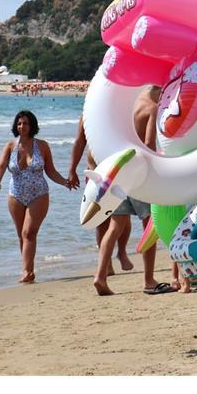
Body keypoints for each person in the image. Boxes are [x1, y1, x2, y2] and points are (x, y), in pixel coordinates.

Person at [75, 88, 171, 296]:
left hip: (118, 173)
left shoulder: (128, 107)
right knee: (149, 227)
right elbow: (147, 144)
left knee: (115, 227)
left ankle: (100, 275)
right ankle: (148, 279)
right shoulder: (152, 108)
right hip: (138, 175)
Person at [0, 110, 78, 283]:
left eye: (25, 123)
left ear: (32, 126)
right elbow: (1, 166)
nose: (22, 126)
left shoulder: (43, 146)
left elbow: (50, 171)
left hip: (38, 194)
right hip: (15, 194)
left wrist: (64, 182)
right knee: (21, 235)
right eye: (19, 123)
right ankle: (28, 270)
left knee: (29, 232)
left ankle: (27, 272)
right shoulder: (10, 146)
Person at [69, 116, 134, 276]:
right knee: (100, 219)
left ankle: (122, 251)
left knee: (123, 216)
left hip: (117, 172)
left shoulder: (115, 111)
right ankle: (107, 262)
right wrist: (72, 169)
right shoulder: (86, 116)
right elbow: (79, 142)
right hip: (96, 173)